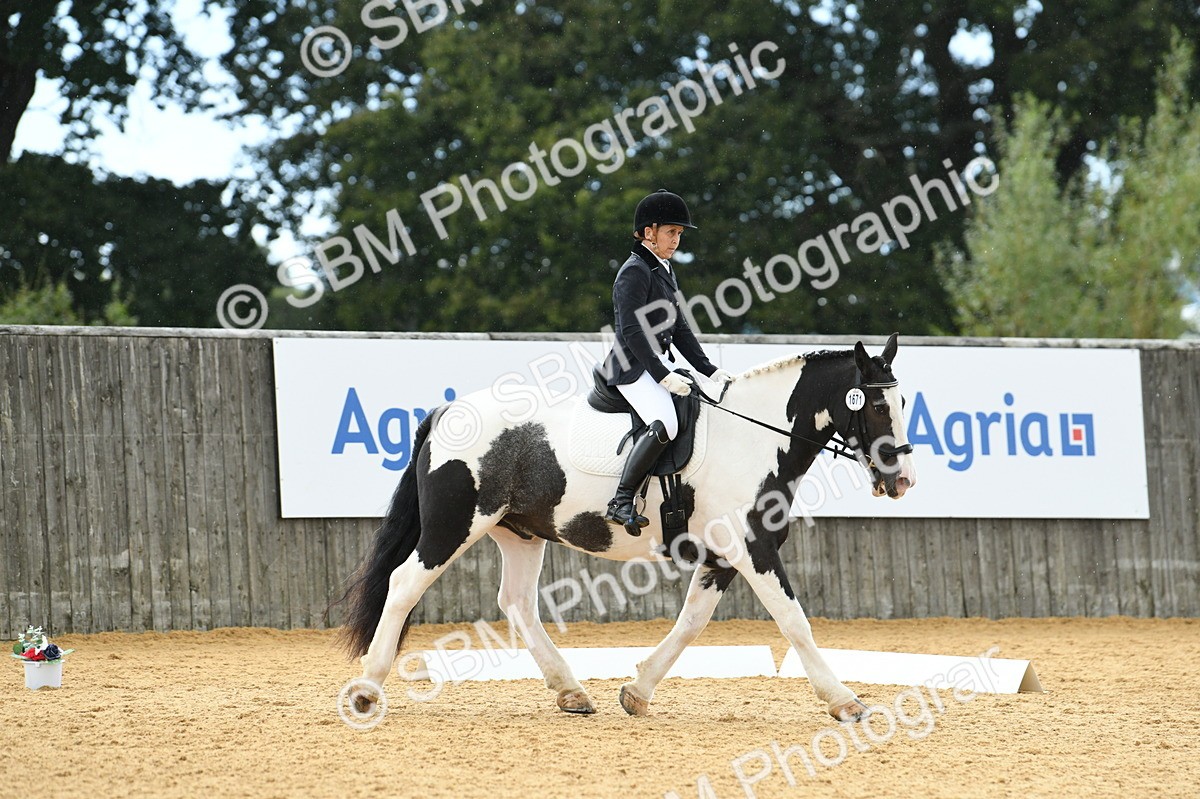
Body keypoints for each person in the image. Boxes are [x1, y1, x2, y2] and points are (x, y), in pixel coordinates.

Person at [599, 189, 734, 533]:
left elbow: (680, 327)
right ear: (649, 232)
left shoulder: (663, 269)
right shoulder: (634, 271)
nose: (676, 240)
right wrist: (662, 375)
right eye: (671, 232)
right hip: (630, 367)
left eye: (679, 233)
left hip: (652, 363)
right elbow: (632, 332)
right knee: (666, 423)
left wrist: (709, 370)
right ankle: (621, 500)